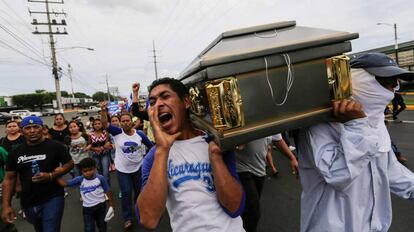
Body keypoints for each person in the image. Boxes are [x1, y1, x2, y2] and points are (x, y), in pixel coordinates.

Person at [296, 52, 414, 232]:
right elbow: (338, 174)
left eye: (394, 84)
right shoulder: (318, 126)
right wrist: (356, 125)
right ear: (357, 79)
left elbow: (390, 170)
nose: (391, 91)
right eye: (385, 83)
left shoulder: (375, 124)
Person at [137, 78, 245, 231]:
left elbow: (234, 208)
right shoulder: (154, 157)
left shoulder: (215, 144)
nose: (158, 104)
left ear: (186, 101)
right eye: (153, 101)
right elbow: (149, 219)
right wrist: (162, 150)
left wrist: (216, 157)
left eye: (165, 96)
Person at [1, 116, 74, 232]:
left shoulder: (56, 146)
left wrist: (51, 175)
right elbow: (9, 179)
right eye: (28, 128)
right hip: (29, 201)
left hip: (53, 196)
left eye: (36, 127)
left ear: (42, 128)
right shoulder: (15, 153)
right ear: (22, 131)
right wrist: (6, 206)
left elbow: (69, 164)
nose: (32, 131)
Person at [100, 103, 153, 230]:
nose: (125, 123)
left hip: (138, 168)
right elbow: (105, 124)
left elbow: (152, 147)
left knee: (139, 192)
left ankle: (139, 212)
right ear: (120, 123)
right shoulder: (117, 132)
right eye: (122, 121)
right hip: (123, 170)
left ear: (131, 121)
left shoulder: (140, 134)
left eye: (127, 120)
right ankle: (127, 218)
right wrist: (103, 110)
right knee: (126, 192)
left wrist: (147, 160)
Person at [57, 157, 114, 232]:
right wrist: (56, 175)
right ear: (81, 171)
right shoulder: (80, 179)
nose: (88, 173)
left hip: (100, 206)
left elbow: (107, 191)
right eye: (85, 171)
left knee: (102, 225)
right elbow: (64, 184)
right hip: (87, 208)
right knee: (89, 228)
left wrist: (111, 205)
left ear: (94, 168)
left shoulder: (100, 178)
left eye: (90, 170)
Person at [88, 119, 112, 187]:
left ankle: (108, 189)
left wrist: (103, 148)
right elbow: (89, 146)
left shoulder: (105, 133)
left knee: (106, 172)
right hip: (95, 155)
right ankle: (102, 187)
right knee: (99, 173)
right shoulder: (90, 134)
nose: (97, 125)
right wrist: (96, 149)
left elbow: (108, 143)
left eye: (99, 123)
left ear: (102, 125)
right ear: (93, 125)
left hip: (105, 154)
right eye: (95, 124)